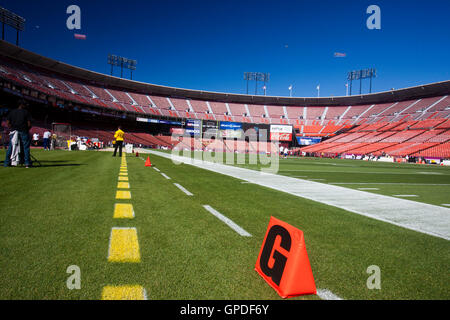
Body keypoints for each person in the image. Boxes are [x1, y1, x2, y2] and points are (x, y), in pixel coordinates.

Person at [3, 99, 32, 168]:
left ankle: (7, 162)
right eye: (24, 105)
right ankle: (27, 163)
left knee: (11, 146)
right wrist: (26, 130)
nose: (25, 106)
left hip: (14, 131)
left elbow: (7, 122)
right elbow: (29, 124)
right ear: (21, 105)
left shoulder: (12, 112)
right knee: (26, 147)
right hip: (23, 130)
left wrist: (12, 128)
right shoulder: (26, 112)